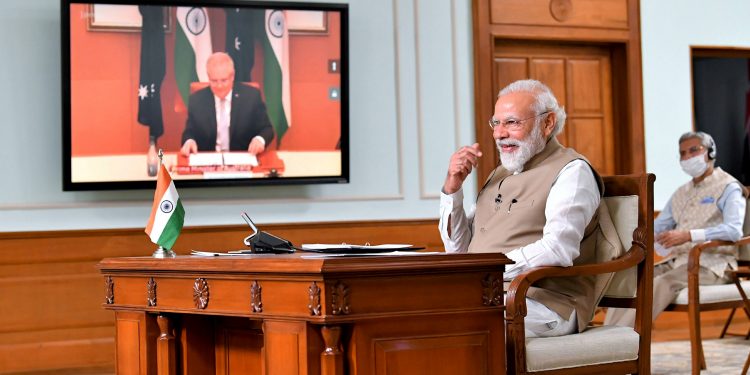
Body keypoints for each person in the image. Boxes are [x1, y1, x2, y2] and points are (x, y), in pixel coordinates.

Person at [439, 79, 607, 338]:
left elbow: (558, 249)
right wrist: (453, 188)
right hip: (487, 292)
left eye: (512, 122)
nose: (499, 133)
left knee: (452, 325)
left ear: (547, 123)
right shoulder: (499, 174)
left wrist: (484, 273)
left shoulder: (573, 171)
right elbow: (458, 250)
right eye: (496, 123)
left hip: (545, 303)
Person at [606, 131, 747, 327]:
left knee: (660, 284)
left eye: (694, 150)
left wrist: (688, 236)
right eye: (683, 153)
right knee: (629, 281)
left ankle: (625, 342)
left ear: (710, 152)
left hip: (714, 265)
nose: (688, 157)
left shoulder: (729, 187)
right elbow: (659, 225)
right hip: (678, 261)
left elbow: (733, 231)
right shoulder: (682, 192)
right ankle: (609, 336)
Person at [180, 52, 274, 156]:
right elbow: (189, 132)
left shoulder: (251, 97)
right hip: (208, 160)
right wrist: (189, 141)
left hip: (243, 158)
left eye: (224, 80)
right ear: (208, 77)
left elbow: (267, 129)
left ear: (232, 76)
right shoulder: (197, 100)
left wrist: (260, 139)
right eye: (214, 81)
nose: (219, 86)